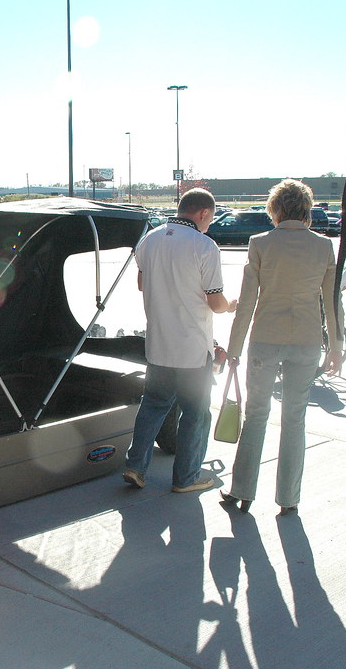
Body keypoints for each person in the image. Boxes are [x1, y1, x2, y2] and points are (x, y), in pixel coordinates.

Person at [220, 179, 343, 516]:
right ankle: (289, 498)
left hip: (265, 339)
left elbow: (247, 302)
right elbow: (332, 302)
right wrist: (335, 345)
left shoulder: (260, 243)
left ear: (274, 209)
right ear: (306, 210)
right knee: (294, 419)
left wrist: (234, 348)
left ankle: (242, 490)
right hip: (306, 340)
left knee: (256, 415)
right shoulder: (323, 246)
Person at [122, 188, 237, 493]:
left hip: (158, 344)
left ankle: (135, 465)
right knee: (195, 414)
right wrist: (231, 306)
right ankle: (186, 478)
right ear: (203, 213)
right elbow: (215, 302)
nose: (208, 225)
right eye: (209, 219)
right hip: (192, 348)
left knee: (152, 406)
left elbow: (142, 284)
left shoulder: (149, 239)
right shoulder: (204, 245)